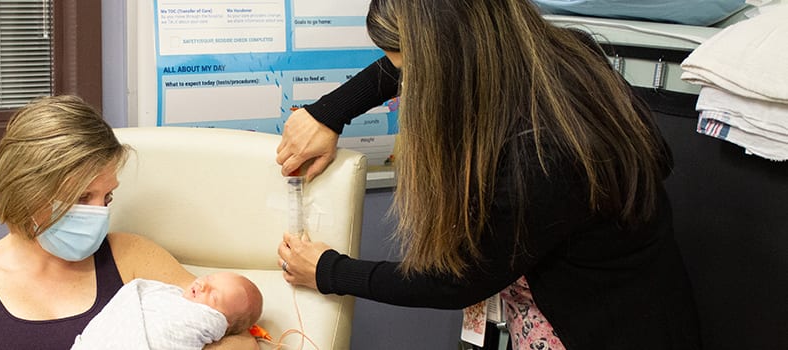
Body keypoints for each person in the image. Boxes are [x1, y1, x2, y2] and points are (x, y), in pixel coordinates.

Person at [274, 1, 701, 349]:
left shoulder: (543, 160)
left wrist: (330, 271)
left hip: (606, 328)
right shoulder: (559, 50)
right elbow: (415, 53)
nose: (405, 85)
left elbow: (452, 282)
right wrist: (329, 113)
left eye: (411, 73)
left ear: (451, 58)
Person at [0, 95, 256, 350]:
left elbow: (238, 335)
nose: (99, 212)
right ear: (28, 188)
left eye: (107, 197)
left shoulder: (129, 257)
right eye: (82, 197)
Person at [72, 272, 264, 349]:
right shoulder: (168, 294)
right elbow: (129, 300)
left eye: (214, 297)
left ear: (222, 322)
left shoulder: (205, 320)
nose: (203, 285)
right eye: (209, 278)